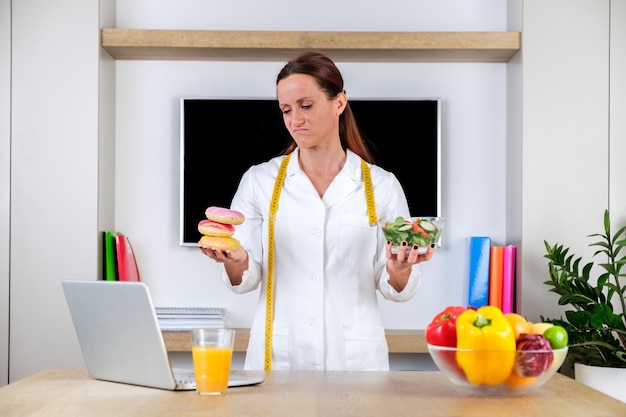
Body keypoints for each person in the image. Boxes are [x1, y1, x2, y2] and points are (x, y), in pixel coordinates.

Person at [200, 50, 435, 371]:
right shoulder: (259, 181)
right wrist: (237, 261)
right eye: (285, 110)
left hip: (354, 361)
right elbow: (246, 278)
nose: (295, 120)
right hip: (279, 355)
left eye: (305, 106)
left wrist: (400, 268)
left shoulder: (381, 186)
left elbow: (392, 284)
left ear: (339, 102)